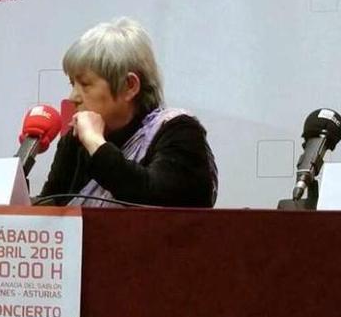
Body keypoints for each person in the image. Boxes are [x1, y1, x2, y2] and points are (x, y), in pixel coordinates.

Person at [39, 17, 217, 207]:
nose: (73, 97)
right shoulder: (75, 141)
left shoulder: (179, 131)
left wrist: (96, 145)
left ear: (130, 86)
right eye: (72, 84)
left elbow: (158, 198)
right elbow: (49, 209)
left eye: (85, 84)